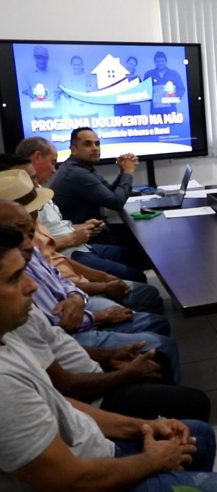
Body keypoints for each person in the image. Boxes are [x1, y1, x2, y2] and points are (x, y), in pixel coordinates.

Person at [0, 224, 217, 492]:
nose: (31, 286)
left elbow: (62, 402)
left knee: (199, 435)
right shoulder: (5, 385)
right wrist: (152, 460)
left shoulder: (8, 335)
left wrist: (144, 426)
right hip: (91, 474)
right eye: (14, 278)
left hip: (94, 441)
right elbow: (72, 479)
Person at [0, 200, 181, 383]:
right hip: (72, 326)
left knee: (154, 315)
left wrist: (76, 296)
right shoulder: (15, 263)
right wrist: (100, 315)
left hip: (75, 300)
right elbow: (59, 324)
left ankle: (149, 376)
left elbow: (57, 274)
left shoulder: (27, 244)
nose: (35, 212)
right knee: (160, 339)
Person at [14, 303, 211, 421]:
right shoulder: (16, 322)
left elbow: (61, 348)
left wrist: (109, 355)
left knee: (159, 360)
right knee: (197, 402)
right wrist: (126, 375)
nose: (31, 285)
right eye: (15, 278)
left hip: (93, 373)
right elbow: (67, 387)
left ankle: (165, 426)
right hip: (93, 399)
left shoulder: (23, 306)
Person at [14, 137, 148, 281]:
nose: (54, 170)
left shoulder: (41, 187)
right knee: (137, 272)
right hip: (69, 252)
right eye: (52, 162)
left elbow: (54, 227)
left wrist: (81, 227)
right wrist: (128, 172)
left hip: (80, 244)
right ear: (37, 157)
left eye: (97, 144)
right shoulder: (21, 199)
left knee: (142, 254)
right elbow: (34, 250)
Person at [143, 50, 185, 114]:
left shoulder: (174, 74)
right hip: (155, 110)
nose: (160, 63)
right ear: (155, 62)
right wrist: (152, 98)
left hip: (171, 109)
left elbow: (181, 89)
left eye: (162, 61)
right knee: (156, 124)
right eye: (158, 61)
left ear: (166, 61)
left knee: (171, 124)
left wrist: (174, 98)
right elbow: (144, 91)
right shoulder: (149, 74)